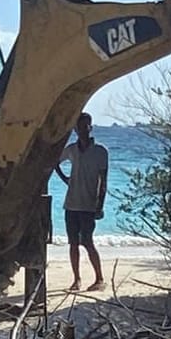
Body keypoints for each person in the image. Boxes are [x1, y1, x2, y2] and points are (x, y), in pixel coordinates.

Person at [56, 111, 109, 292]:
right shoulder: (71, 150)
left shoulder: (100, 151)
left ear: (90, 128)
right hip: (71, 203)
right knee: (73, 244)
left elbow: (103, 181)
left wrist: (100, 205)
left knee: (87, 241)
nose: (82, 130)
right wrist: (65, 179)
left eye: (85, 126)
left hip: (88, 204)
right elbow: (55, 161)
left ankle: (99, 278)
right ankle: (76, 279)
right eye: (79, 127)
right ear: (75, 129)